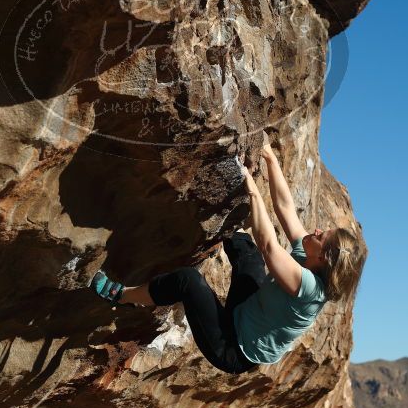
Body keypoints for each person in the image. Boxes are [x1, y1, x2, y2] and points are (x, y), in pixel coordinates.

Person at [89, 136, 364, 374]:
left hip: (234, 348)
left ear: (324, 259)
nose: (316, 230)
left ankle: (122, 295)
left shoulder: (310, 290)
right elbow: (286, 208)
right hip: (248, 309)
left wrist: (250, 185)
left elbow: (270, 245)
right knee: (245, 248)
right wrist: (269, 156)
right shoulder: (310, 253)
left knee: (188, 281)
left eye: (321, 235)